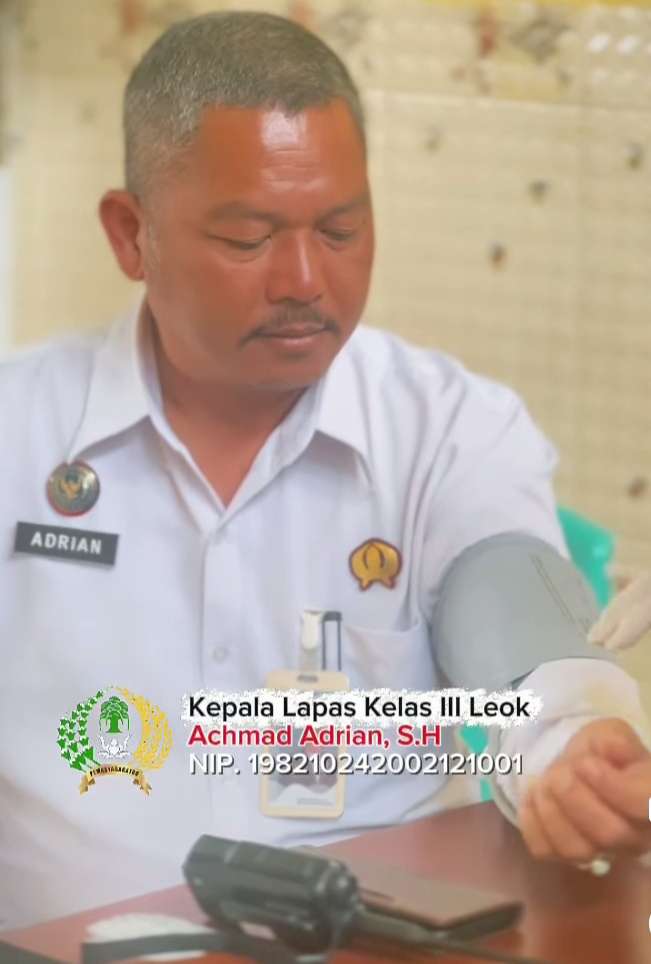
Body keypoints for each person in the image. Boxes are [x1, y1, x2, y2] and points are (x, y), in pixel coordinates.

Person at [1, 10, 650, 932]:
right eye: (247, 238)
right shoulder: (19, 431)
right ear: (130, 234)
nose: (304, 278)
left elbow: (509, 602)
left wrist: (572, 743)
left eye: (340, 230)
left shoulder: (449, 431)